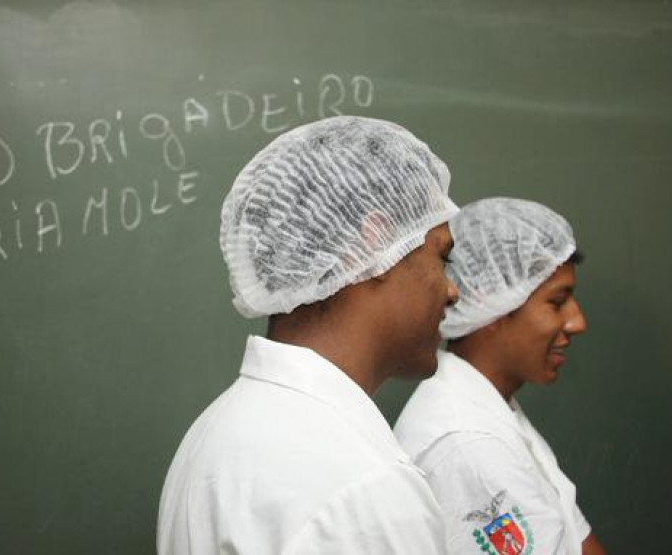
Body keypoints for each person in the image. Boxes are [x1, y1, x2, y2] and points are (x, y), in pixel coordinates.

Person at [157, 116, 460, 554]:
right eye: (442, 257)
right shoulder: (362, 486)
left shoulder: (215, 432)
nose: (452, 291)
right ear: (375, 246)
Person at [394, 197, 607, 555]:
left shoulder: (488, 407)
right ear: (491, 303)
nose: (577, 322)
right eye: (557, 302)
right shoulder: (466, 441)